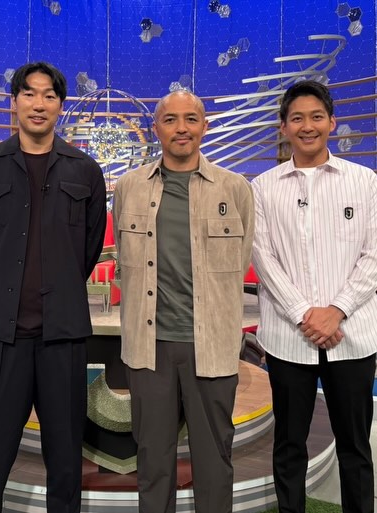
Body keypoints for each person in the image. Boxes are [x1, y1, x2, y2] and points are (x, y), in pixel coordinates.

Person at [0, 61, 107, 513]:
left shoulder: (85, 171)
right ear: (14, 102)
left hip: (62, 338)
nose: (38, 103)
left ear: (60, 105)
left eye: (49, 95)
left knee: (65, 462)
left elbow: (87, 252)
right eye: (29, 93)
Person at [251, 80, 377, 513]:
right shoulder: (262, 187)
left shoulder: (364, 181)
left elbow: (376, 255)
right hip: (289, 338)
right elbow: (263, 257)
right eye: (297, 118)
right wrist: (304, 314)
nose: (307, 126)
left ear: (332, 122)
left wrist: (336, 311)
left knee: (355, 446)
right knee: (289, 445)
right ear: (283, 127)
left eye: (316, 117)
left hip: (353, 336)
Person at [113, 90, 255, 513]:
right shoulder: (129, 187)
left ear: (204, 127)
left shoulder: (234, 188)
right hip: (148, 348)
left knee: (214, 460)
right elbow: (124, 259)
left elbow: (241, 259)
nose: (181, 128)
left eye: (191, 119)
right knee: (153, 460)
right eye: (170, 119)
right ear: (156, 128)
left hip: (212, 347)